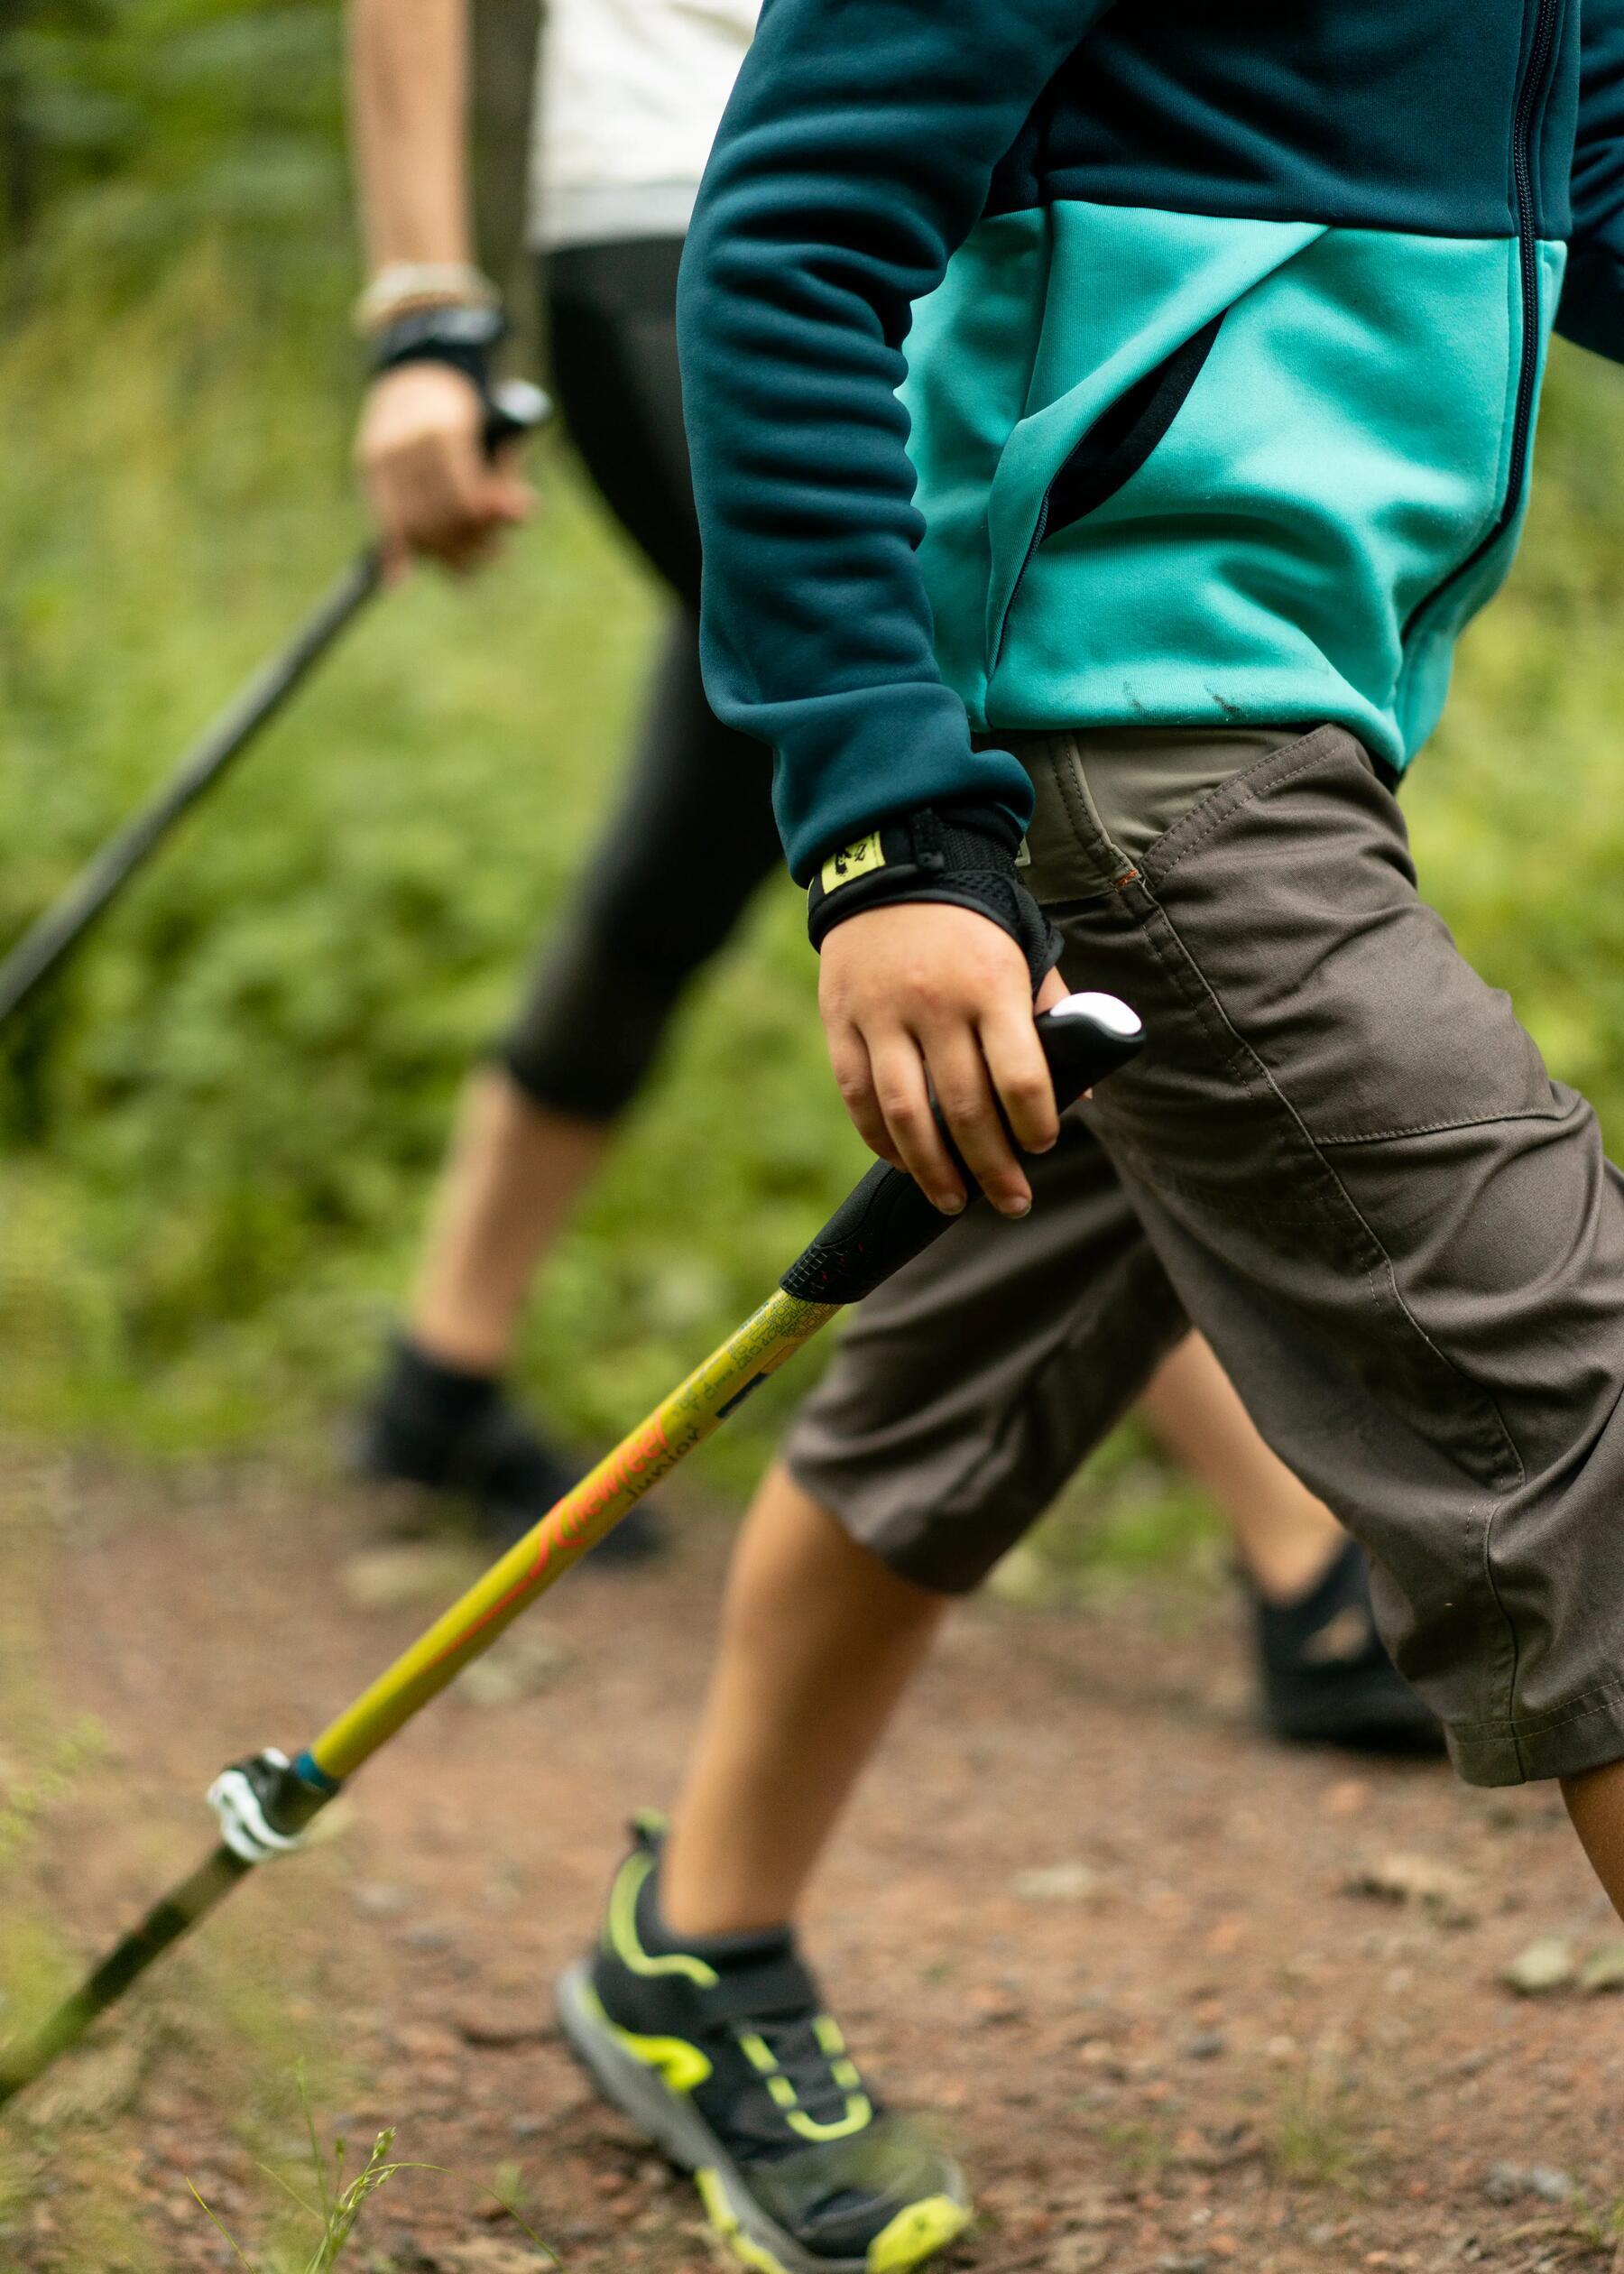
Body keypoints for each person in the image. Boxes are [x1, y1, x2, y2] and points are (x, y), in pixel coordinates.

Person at [548, 3, 1624, 2270]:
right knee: (1577, 1405)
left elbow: (1588, 187)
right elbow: (792, 236)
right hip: (1130, 737)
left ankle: (694, 1952)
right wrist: (876, 826)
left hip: (1290, 719)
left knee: (991, 1345)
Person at [344, 0, 1435, 1750]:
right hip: (705, 218)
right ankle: (1298, 1554)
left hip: (959, 202)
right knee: (969, 856)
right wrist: (423, 307)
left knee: (717, 817)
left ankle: (437, 1373)